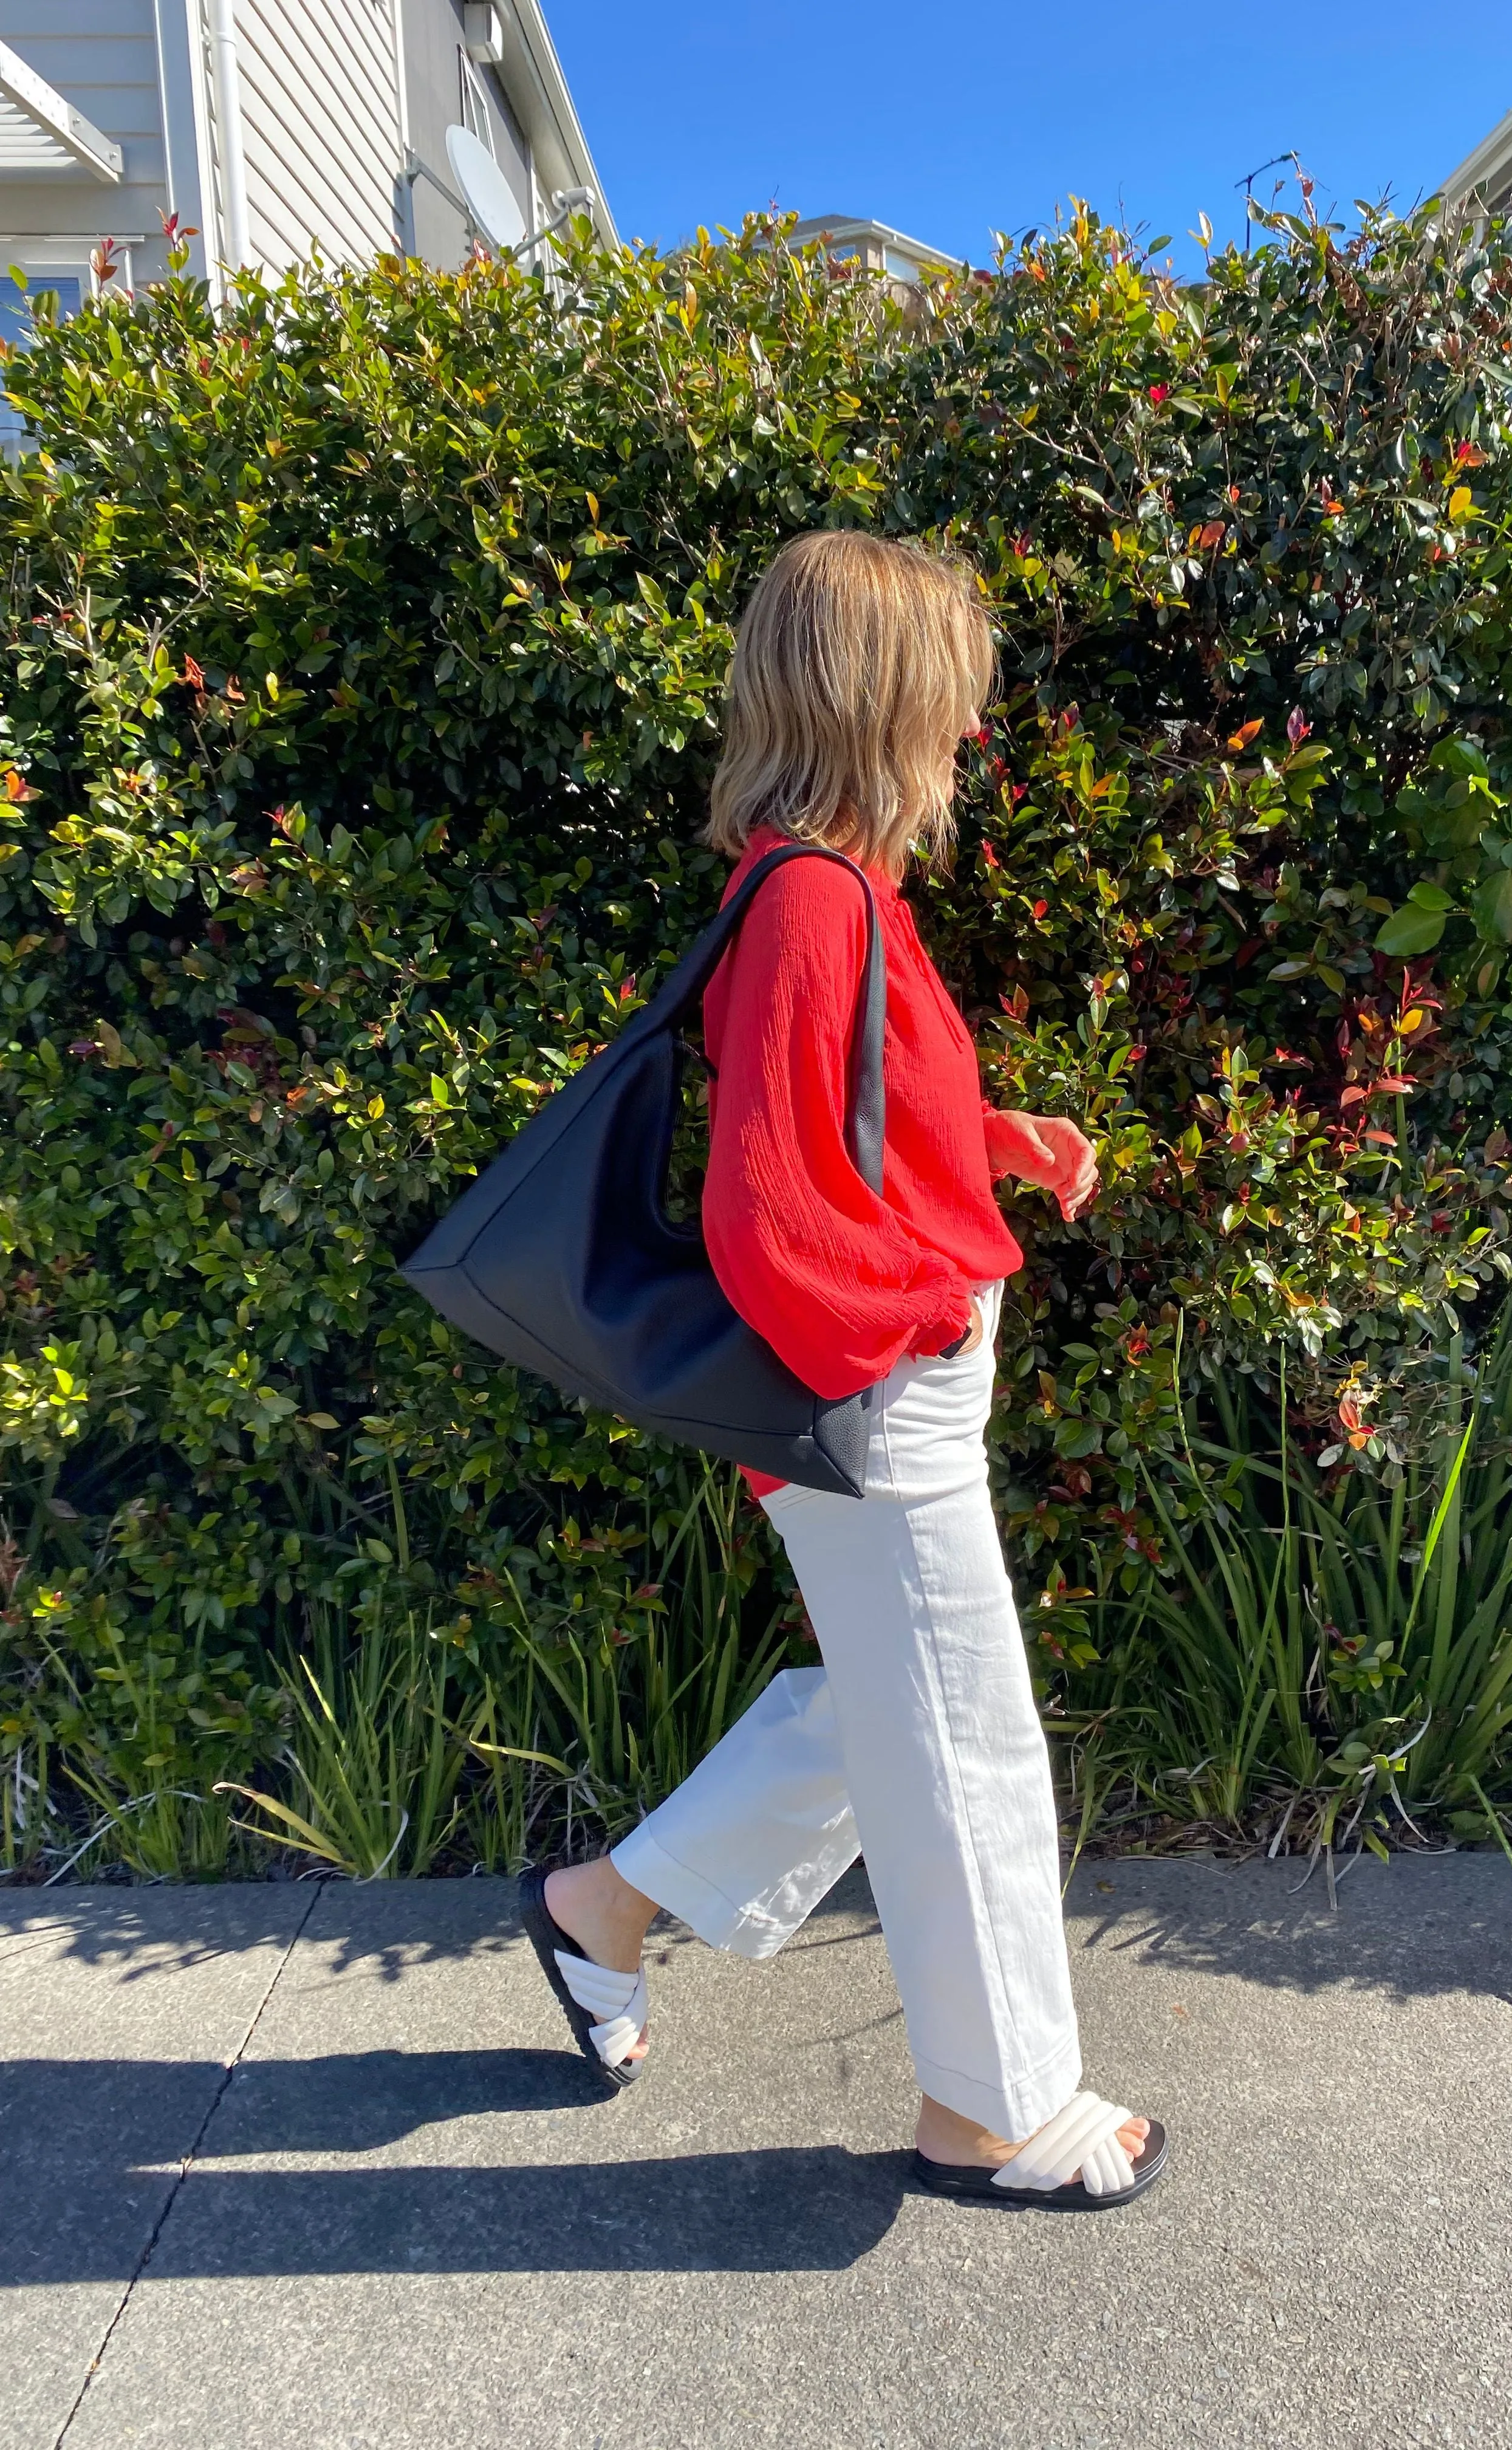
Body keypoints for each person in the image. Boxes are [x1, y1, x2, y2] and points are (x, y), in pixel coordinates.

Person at [519, 530, 1166, 2208]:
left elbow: (856, 1117)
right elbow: (766, 1216)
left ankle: (607, 1907)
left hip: (881, 1375)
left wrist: (994, 1142)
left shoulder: (828, 889)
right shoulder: (814, 899)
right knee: (964, 1741)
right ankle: (994, 2113)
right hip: (875, 1388)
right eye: (950, 705)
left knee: (893, 1705)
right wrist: (920, 1323)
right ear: (881, 705)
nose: (968, 740)